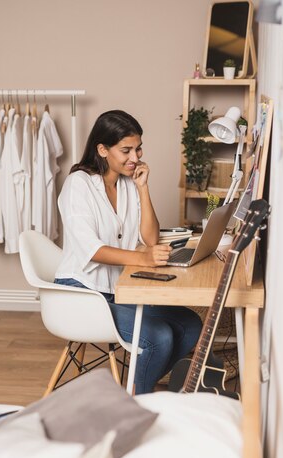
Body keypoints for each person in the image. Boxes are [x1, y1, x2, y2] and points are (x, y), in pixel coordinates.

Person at [55, 110, 202, 393]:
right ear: (102, 149)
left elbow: (150, 237)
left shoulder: (128, 183)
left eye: (138, 148)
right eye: (126, 150)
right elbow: (92, 250)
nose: (135, 157)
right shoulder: (78, 185)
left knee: (190, 324)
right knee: (158, 337)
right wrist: (142, 258)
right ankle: (138, 402)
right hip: (83, 291)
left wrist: (143, 189)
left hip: (119, 289)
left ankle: (144, 390)